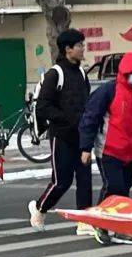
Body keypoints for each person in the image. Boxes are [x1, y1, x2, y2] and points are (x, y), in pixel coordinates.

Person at [78, 51, 132, 246]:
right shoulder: (108, 91)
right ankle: (102, 224)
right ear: (124, 72)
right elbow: (90, 118)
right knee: (113, 187)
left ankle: (118, 227)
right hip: (108, 150)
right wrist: (85, 148)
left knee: (124, 190)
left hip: (129, 151)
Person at [28, 29, 94, 236]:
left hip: (81, 137)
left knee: (85, 179)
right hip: (62, 137)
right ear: (68, 49)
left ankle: (84, 221)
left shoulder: (82, 73)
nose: (83, 49)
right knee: (61, 182)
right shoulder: (55, 74)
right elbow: (43, 107)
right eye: (80, 45)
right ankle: (39, 208)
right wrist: (67, 119)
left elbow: (87, 101)